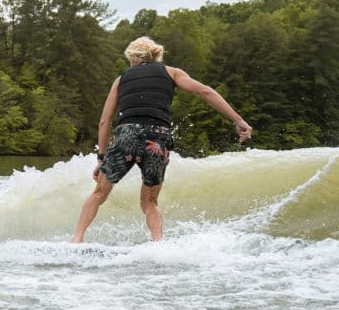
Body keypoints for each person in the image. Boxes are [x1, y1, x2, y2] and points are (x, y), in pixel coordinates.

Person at [71, 36, 252, 243]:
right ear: (157, 55)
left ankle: (77, 238)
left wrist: (101, 157)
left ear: (132, 58)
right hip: (158, 137)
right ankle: (158, 244)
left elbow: (105, 121)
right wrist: (238, 120)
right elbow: (205, 91)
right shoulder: (171, 72)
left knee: (99, 192)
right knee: (150, 202)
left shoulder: (121, 79)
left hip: (127, 133)